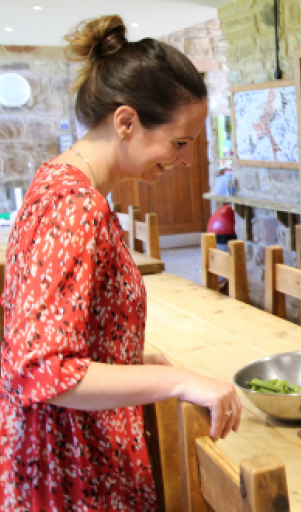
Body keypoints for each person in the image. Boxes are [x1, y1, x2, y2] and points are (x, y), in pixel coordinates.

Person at [0, 15, 243, 510]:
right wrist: (175, 381)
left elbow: (74, 343)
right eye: (180, 143)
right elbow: (45, 371)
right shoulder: (71, 204)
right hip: (69, 465)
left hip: (78, 447)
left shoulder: (67, 187)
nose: (186, 161)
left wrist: (145, 364)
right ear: (126, 122)